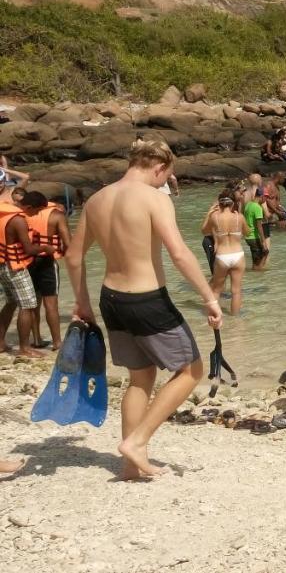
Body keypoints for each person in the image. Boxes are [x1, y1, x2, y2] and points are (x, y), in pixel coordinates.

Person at [65, 139, 223, 479]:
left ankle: (129, 467)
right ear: (160, 168)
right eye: (166, 176)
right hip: (147, 299)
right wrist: (209, 297)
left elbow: (74, 257)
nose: (164, 182)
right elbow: (179, 253)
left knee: (140, 377)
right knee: (190, 371)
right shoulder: (154, 199)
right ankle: (137, 443)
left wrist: (82, 303)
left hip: (111, 299)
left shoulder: (97, 200)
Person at [0, 184, 55, 356]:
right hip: (15, 267)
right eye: (37, 211)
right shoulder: (18, 220)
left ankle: (0, 342)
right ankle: (24, 348)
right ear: (29, 207)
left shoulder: (4, 215)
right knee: (28, 304)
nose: (36, 215)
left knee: (11, 303)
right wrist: (46, 248)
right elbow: (29, 249)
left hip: (2, 265)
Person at [21, 191, 69, 349]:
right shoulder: (57, 215)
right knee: (51, 304)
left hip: (26, 261)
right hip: (47, 262)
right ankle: (57, 342)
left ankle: (37, 340)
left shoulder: (21, 214)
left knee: (33, 303)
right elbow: (67, 243)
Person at [201, 191, 250, 315]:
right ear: (233, 203)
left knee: (216, 290)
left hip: (222, 255)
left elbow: (204, 231)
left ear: (219, 203)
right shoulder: (239, 217)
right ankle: (235, 322)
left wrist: (209, 213)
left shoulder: (215, 217)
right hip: (238, 254)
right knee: (236, 291)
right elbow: (248, 232)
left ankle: (213, 316)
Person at [243, 191, 269, 271]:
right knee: (264, 253)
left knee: (257, 259)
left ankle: (257, 273)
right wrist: (264, 241)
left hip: (248, 237)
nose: (266, 200)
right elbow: (259, 226)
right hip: (254, 237)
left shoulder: (248, 205)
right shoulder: (257, 207)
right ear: (261, 196)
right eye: (266, 197)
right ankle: (258, 273)